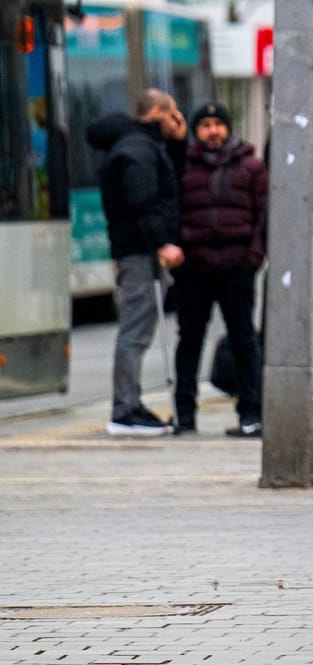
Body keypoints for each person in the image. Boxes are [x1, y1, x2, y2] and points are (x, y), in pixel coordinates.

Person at [87, 89, 187, 437]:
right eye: (173, 113)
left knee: (139, 328)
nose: (178, 120)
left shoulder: (142, 145)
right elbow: (144, 200)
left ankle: (129, 403)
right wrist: (163, 242)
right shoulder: (138, 150)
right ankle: (125, 408)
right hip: (139, 252)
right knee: (135, 329)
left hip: (139, 250)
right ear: (158, 112)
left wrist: (177, 139)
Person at [171, 103, 269, 438]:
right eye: (205, 125)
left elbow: (263, 216)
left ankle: (251, 413)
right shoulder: (182, 167)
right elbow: (173, 211)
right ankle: (184, 415)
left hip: (236, 267)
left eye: (218, 124)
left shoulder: (251, 167)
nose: (213, 131)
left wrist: (253, 258)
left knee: (244, 341)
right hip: (194, 269)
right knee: (189, 343)